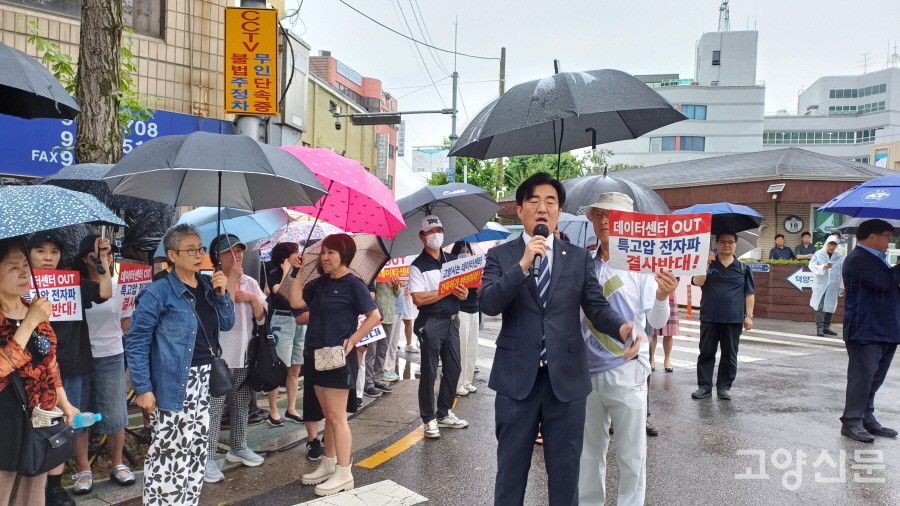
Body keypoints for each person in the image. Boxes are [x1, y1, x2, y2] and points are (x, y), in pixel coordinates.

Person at [480, 172, 635, 506]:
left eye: (551, 201)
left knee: (566, 473)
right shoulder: (501, 256)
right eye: (534, 200)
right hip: (515, 379)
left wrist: (622, 328)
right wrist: (522, 266)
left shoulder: (577, 257)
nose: (543, 208)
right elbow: (489, 304)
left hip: (566, 380)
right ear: (520, 209)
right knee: (510, 472)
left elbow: (596, 306)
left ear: (559, 211)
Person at [578, 192, 676, 505]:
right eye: (598, 214)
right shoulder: (582, 263)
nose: (604, 221)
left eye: (612, 215)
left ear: (628, 222)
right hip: (585, 371)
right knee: (588, 454)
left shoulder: (642, 265)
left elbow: (656, 321)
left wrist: (662, 296)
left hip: (627, 369)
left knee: (631, 455)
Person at [125, 224, 234, 506]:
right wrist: (143, 388)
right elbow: (136, 342)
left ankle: (187, 501)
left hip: (205, 379)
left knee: (197, 449)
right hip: (173, 380)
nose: (198, 255)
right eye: (191, 250)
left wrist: (223, 295)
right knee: (169, 453)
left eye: (200, 249)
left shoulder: (209, 285)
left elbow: (227, 324)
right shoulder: (158, 292)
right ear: (172, 255)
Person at [289, 234, 380, 496]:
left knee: (337, 417)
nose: (325, 257)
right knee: (328, 415)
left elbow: (374, 315)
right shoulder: (319, 283)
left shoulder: (354, 284)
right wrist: (297, 272)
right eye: (323, 252)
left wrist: (353, 339)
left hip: (338, 358)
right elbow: (296, 303)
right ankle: (328, 465)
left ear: (345, 255)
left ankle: (344, 472)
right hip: (314, 355)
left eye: (331, 253)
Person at [27, 233, 112, 504]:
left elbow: (104, 292)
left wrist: (103, 262)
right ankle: (31, 486)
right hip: (29, 370)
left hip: (70, 367)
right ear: (29, 254)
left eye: (54, 252)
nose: (48, 257)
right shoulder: (19, 282)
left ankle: (55, 486)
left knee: (63, 428)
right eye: (41, 251)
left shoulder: (70, 281)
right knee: (32, 429)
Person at [0, 238, 79, 506]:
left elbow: (50, 362)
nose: (24, 273)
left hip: (38, 421)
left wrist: (65, 404)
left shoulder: (34, 308)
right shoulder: (34, 313)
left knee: (31, 497)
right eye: (13, 267)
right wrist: (29, 322)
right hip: (4, 424)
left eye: (25, 265)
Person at [71, 236, 136, 493]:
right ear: (83, 259)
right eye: (96, 256)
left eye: (107, 255)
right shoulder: (74, 287)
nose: (102, 260)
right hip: (79, 356)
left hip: (111, 354)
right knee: (79, 414)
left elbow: (126, 324)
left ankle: (118, 463)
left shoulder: (120, 286)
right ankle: (83, 469)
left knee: (115, 413)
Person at [204, 234, 267, 483]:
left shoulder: (251, 282)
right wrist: (231, 283)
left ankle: (239, 446)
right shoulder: (211, 282)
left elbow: (262, 316)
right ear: (217, 258)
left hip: (245, 354)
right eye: (229, 252)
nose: (236, 256)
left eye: (239, 251)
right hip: (221, 357)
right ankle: (207, 457)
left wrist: (252, 299)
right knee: (215, 407)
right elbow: (223, 316)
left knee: (242, 404)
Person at [408, 215, 470, 438]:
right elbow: (418, 298)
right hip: (430, 321)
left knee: (454, 368)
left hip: (453, 320)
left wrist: (462, 293)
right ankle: (428, 418)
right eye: (431, 231)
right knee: (429, 371)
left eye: (439, 230)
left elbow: (462, 290)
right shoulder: (417, 266)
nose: (436, 235)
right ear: (422, 237)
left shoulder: (453, 260)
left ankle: (444, 413)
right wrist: (446, 290)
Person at [839, 219, 900, 443]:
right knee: (861, 378)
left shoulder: (878, 259)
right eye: (887, 235)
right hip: (865, 328)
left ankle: (866, 417)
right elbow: (883, 283)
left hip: (885, 327)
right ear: (872, 236)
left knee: (875, 378)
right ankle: (851, 421)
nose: (890, 240)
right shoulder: (857, 259)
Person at [691, 233, 756, 401]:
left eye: (730, 242)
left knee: (730, 354)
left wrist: (749, 316)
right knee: (706, 353)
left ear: (735, 244)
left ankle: (724, 387)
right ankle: (704, 387)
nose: (727, 245)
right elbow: (698, 282)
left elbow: (749, 294)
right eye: (723, 242)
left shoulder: (743, 268)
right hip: (709, 317)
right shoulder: (707, 264)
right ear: (716, 244)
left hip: (733, 319)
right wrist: (704, 263)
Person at [264, 242, 305, 427]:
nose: (297, 255)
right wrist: (287, 271)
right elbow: (281, 293)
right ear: (284, 257)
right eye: (293, 252)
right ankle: (273, 410)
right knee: (278, 367)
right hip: (281, 320)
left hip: (299, 320)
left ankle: (291, 408)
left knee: (295, 367)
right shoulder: (273, 273)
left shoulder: (301, 272)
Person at [451, 241, 480, 397]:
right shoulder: (453, 269)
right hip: (461, 310)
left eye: (467, 251)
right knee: (461, 349)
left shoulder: (476, 267)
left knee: (472, 349)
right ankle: (458, 383)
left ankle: (467, 381)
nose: (465, 253)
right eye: (461, 251)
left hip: (474, 309)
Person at [365, 276, 401, 397]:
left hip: (389, 315)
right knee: (371, 351)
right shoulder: (373, 272)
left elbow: (397, 293)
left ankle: (378, 379)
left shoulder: (393, 271)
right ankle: (368, 383)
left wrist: (396, 285)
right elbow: (369, 292)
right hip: (374, 315)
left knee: (382, 351)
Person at [808, 235, 844, 337]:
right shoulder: (819, 254)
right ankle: (819, 328)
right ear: (826, 244)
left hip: (833, 285)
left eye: (834, 245)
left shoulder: (839, 256)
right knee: (819, 306)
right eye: (830, 245)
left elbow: (842, 271)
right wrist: (822, 267)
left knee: (830, 305)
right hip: (821, 284)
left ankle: (826, 327)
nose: (832, 247)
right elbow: (811, 265)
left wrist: (843, 286)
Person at [382, 285, 406, 382]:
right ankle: (385, 369)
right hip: (390, 309)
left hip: (400, 307)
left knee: (394, 342)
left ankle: (391, 368)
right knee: (387, 341)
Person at [652, 292, 678, 373]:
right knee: (652, 331)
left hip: (669, 294)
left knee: (669, 332)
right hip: (653, 296)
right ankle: (651, 359)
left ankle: (667, 359)